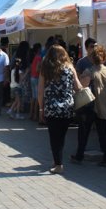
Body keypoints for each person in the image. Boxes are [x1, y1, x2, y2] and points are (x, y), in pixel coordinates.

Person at [72, 45, 106, 167]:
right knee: (103, 132)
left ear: (92, 58)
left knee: (84, 131)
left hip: (91, 104)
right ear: (104, 57)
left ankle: (79, 156)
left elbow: (82, 87)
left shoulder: (89, 71)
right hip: (105, 104)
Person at [38, 45, 84, 174]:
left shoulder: (45, 69)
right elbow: (78, 87)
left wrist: (41, 109)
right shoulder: (70, 67)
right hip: (67, 108)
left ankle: (58, 164)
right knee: (61, 137)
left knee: (54, 137)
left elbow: (40, 91)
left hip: (51, 108)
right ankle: (57, 161)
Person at [28, 43, 43, 121]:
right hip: (36, 78)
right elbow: (37, 69)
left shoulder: (34, 57)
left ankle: (31, 113)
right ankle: (35, 115)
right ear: (38, 49)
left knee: (33, 97)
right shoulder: (39, 58)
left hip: (32, 77)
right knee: (37, 97)